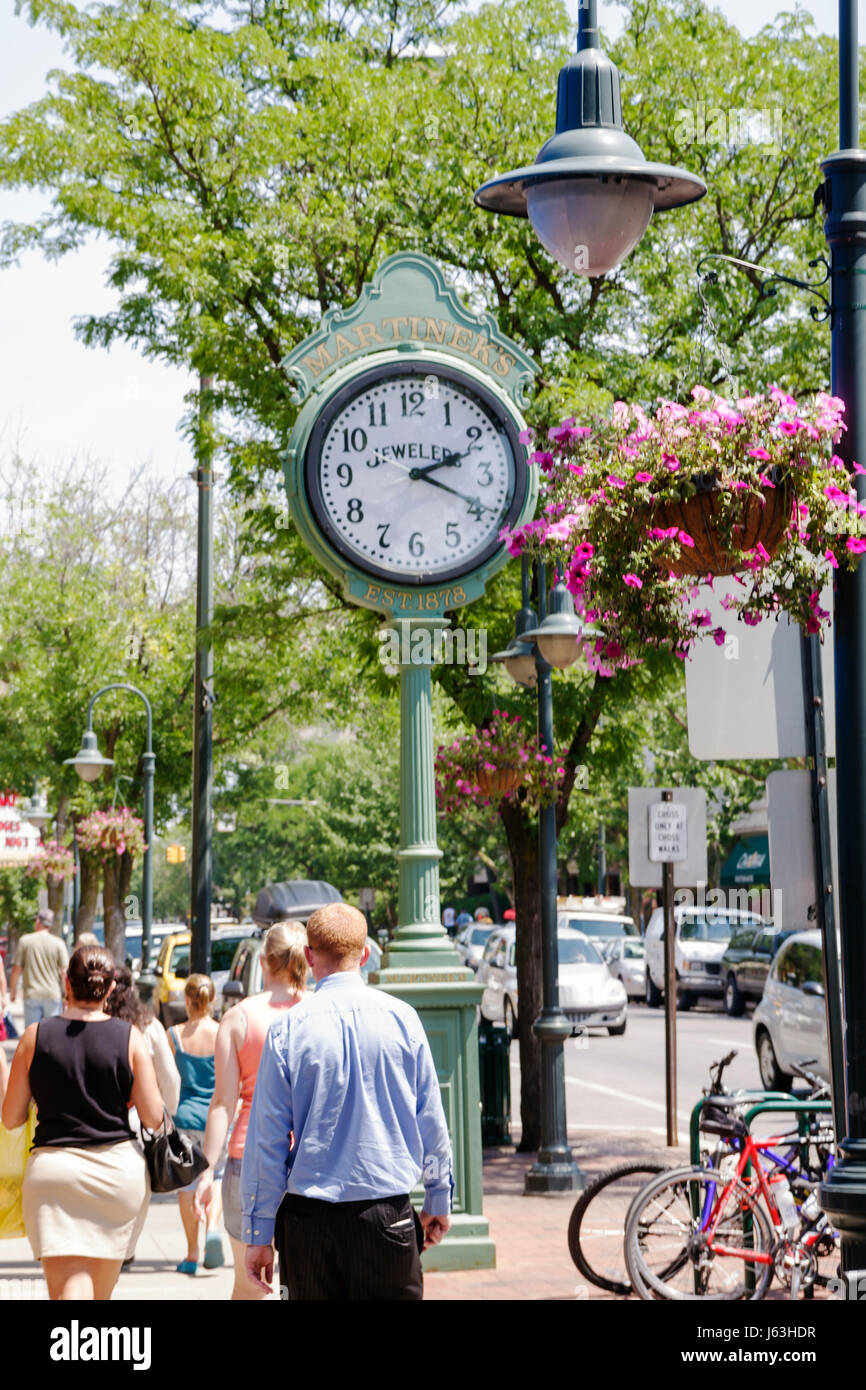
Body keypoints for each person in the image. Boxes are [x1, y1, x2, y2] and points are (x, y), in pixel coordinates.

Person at [241, 903, 452, 1302]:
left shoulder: (288, 1030)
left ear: (309, 956)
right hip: (386, 1216)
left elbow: (266, 1140)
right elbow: (432, 1124)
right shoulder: (403, 1019)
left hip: (310, 1222)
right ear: (365, 954)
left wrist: (259, 1231)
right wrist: (438, 1196)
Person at [1, 944, 163, 1300]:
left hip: (55, 1174)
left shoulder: (34, 1037)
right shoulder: (130, 1039)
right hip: (118, 1175)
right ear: (108, 989)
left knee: (69, 1292)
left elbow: (10, 1118)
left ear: (66, 984)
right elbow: (154, 1117)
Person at [194, 921, 307, 1300]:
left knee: (249, 1285)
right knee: (306, 1282)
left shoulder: (238, 1018)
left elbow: (223, 1104)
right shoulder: (317, 1013)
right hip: (309, 1161)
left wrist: (207, 1171)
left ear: (263, 961)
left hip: (250, 1160)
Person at [167, 973, 223, 1275]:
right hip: (215, 1117)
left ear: (187, 1000)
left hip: (185, 1117)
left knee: (186, 1185)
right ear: (212, 1000)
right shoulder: (221, 1031)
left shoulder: (174, 1034)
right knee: (215, 1177)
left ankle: (191, 1254)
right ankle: (212, 1227)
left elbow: (167, 1077)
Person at [7, 910, 68, 1027]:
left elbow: (16, 969)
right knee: (53, 1033)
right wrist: (66, 995)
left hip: (32, 994)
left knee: (32, 1034)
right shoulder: (58, 943)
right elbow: (64, 972)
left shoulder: (25, 941)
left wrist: (13, 991)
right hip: (53, 994)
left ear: (39, 921)